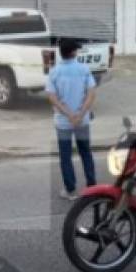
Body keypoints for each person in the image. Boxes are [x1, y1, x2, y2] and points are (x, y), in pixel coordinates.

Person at [46, 39, 98, 200]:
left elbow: (52, 97)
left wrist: (69, 115)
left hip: (63, 122)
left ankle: (71, 190)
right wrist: (80, 114)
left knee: (65, 156)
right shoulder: (83, 69)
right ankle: (92, 186)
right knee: (85, 152)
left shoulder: (54, 72)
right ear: (74, 52)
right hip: (82, 121)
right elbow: (91, 93)